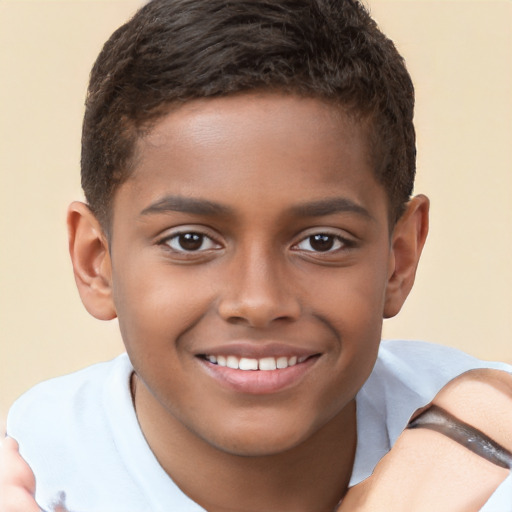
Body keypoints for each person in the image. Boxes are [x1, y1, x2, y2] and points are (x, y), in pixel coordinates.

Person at [1, 0, 512, 510]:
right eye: (190, 241)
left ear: (398, 259)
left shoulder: (476, 447)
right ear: (97, 262)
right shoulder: (37, 473)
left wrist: (473, 422)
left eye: (321, 242)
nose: (259, 300)